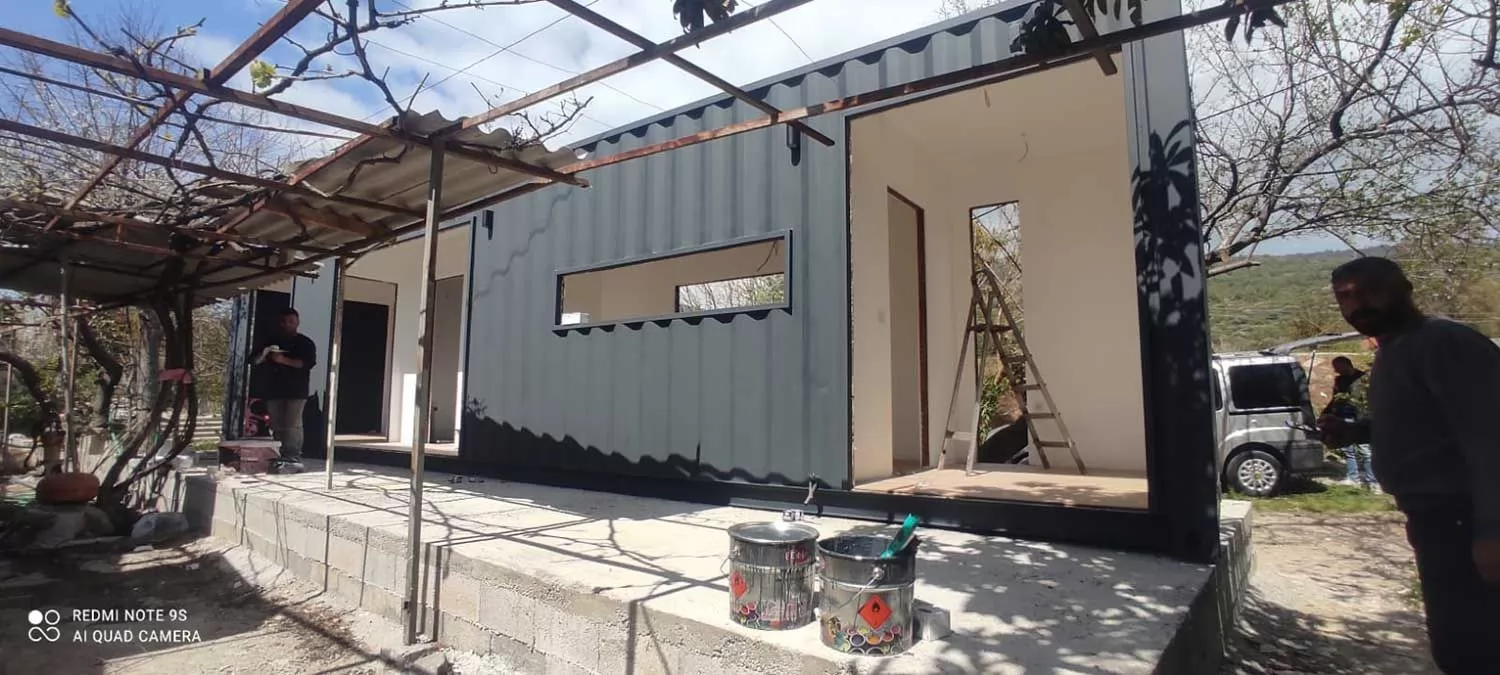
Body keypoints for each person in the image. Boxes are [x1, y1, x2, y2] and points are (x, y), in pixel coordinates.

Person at [1318, 256, 1500, 674]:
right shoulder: (1393, 350)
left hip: (1463, 517)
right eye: (1345, 297)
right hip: (1433, 519)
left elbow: (1488, 437)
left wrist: (1492, 530)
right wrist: (1356, 431)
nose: (1358, 305)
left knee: (1474, 646)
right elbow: (1423, 424)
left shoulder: (1444, 344)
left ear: (1404, 289)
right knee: (1456, 642)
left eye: (1370, 292)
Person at [251, 308, 317, 474]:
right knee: (276, 424)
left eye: (291, 321)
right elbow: (253, 360)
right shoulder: (270, 341)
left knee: (293, 424)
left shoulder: (305, 343)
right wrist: (265, 354)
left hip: (296, 390)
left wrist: (283, 360)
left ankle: (293, 456)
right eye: (284, 321)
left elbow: (306, 364)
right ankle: (279, 454)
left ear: (297, 322)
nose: (287, 325)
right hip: (274, 389)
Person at [1320, 356, 1376, 491]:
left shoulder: (1364, 379)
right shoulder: (1339, 380)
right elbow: (1335, 398)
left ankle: (1373, 482)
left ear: (1346, 365)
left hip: (1360, 418)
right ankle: (1353, 478)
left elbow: (1369, 399)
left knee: (1365, 450)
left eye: (1337, 367)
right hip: (1342, 417)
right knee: (1347, 449)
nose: (1336, 370)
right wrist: (1327, 412)